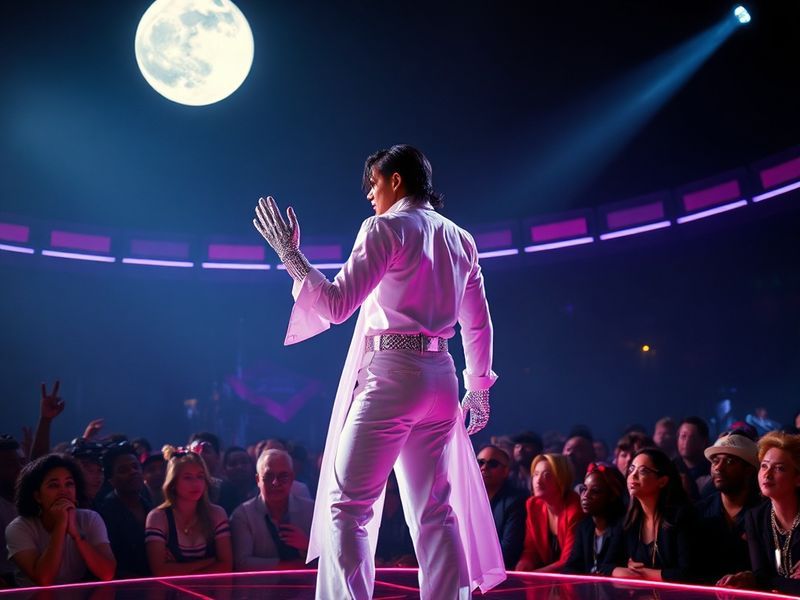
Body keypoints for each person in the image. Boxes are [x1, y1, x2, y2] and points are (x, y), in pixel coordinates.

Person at [253, 144, 504, 599]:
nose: (369, 193)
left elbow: (336, 305)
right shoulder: (461, 238)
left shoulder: (385, 229)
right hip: (442, 376)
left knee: (347, 507)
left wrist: (290, 255)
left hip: (393, 373)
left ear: (395, 179)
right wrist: (479, 386)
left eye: (373, 182)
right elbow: (478, 322)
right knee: (435, 511)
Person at [5, 454, 116, 586]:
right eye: (53, 485)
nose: (64, 491)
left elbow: (107, 573)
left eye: (69, 484)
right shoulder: (19, 528)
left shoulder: (90, 519)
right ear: (38, 496)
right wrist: (60, 526)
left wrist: (77, 536)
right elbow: (44, 580)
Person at [718, 431, 800, 594]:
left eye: (780, 468)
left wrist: (767, 583)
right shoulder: (755, 517)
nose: (767, 474)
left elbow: (764, 581)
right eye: (764, 465)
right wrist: (748, 579)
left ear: (798, 478)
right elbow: (761, 575)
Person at [606, 447, 695, 582]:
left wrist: (643, 573)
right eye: (631, 469)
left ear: (662, 481)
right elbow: (605, 566)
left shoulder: (681, 517)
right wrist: (626, 571)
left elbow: (687, 573)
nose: (633, 476)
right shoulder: (629, 520)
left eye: (642, 471)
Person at [144, 446, 232, 576]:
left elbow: (226, 566)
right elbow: (160, 571)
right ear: (173, 482)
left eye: (200, 477)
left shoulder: (217, 514)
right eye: (188, 477)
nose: (196, 483)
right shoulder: (158, 517)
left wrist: (178, 568)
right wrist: (210, 561)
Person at [230, 449, 313, 571]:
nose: (275, 483)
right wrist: (292, 566)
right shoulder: (242, 515)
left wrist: (308, 546)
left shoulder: (311, 511)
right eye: (268, 477)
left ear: (292, 478)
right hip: (260, 588)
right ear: (258, 480)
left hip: (306, 588)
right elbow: (242, 563)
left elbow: (330, 556)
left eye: (283, 477)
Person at [695, 431, 760, 584]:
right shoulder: (699, 512)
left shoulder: (764, 513)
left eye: (729, 462)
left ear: (749, 470)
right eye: (715, 461)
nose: (718, 467)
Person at [515, 454, 583, 572]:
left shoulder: (575, 508)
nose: (538, 481)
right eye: (535, 474)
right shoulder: (533, 505)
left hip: (572, 577)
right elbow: (531, 550)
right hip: (547, 578)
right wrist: (523, 565)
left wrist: (535, 575)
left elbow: (568, 561)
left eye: (547, 475)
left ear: (561, 479)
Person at [98, 443, 152, 578]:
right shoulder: (105, 514)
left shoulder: (149, 507)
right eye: (123, 470)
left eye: (135, 467)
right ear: (111, 480)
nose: (133, 472)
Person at [564, 462, 626, 575]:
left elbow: (608, 567)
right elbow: (571, 567)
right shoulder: (584, 526)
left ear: (612, 496)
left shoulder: (622, 526)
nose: (585, 496)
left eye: (595, 491)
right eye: (584, 489)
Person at [477, 445, 526, 569]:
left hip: (500, 576)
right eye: (480, 462)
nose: (484, 467)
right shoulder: (466, 498)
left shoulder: (516, 501)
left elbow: (508, 551)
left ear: (505, 471)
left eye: (493, 464)